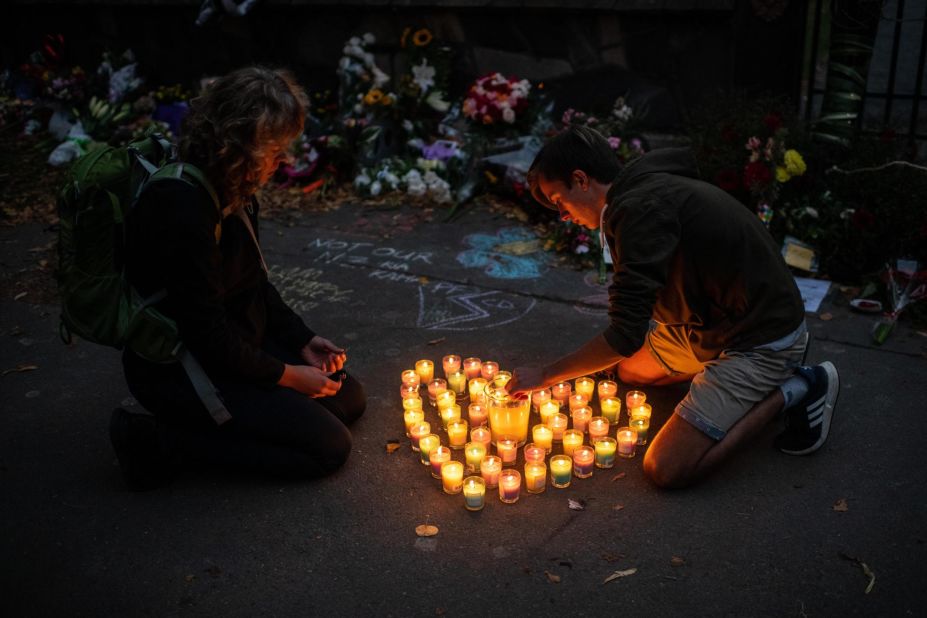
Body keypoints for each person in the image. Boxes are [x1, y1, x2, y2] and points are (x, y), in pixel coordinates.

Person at [507, 125, 838, 489]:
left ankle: (797, 385)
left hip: (757, 338)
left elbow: (624, 335)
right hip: (712, 325)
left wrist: (547, 375)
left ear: (581, 179)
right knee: (630, 373)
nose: (563, 216)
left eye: (558, 201)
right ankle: (749, 378)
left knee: (665, 468)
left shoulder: (641, 210)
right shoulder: (638, 195)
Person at [112, 66, 366, 490]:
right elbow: (205, 334)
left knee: (347, 397)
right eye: (275, 150)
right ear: (239, 146)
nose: (284, 161)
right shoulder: (181, 207)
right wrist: (285, 375)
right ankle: (158, 440)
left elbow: (254, 283)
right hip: (179, 367)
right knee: (327, 447)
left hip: (235, 338)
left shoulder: (233, 188)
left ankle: (265, 415)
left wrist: (302, 339)